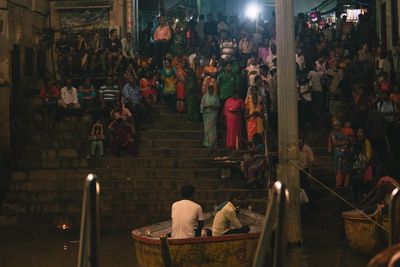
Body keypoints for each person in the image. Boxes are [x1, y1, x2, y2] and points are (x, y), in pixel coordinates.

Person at [328, 121, 350, 187]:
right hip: (338, 152)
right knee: (338, 168)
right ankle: (338, 183)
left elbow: (347, 140)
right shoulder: (333, 134)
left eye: (339, 125)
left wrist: (344, 142)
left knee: (345, 168)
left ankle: (345, 183)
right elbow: (335, 143)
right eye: (336, 125)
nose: (337, 126)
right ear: (333, 126)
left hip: (345, 152)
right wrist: (343, 142)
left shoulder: (342, 132)